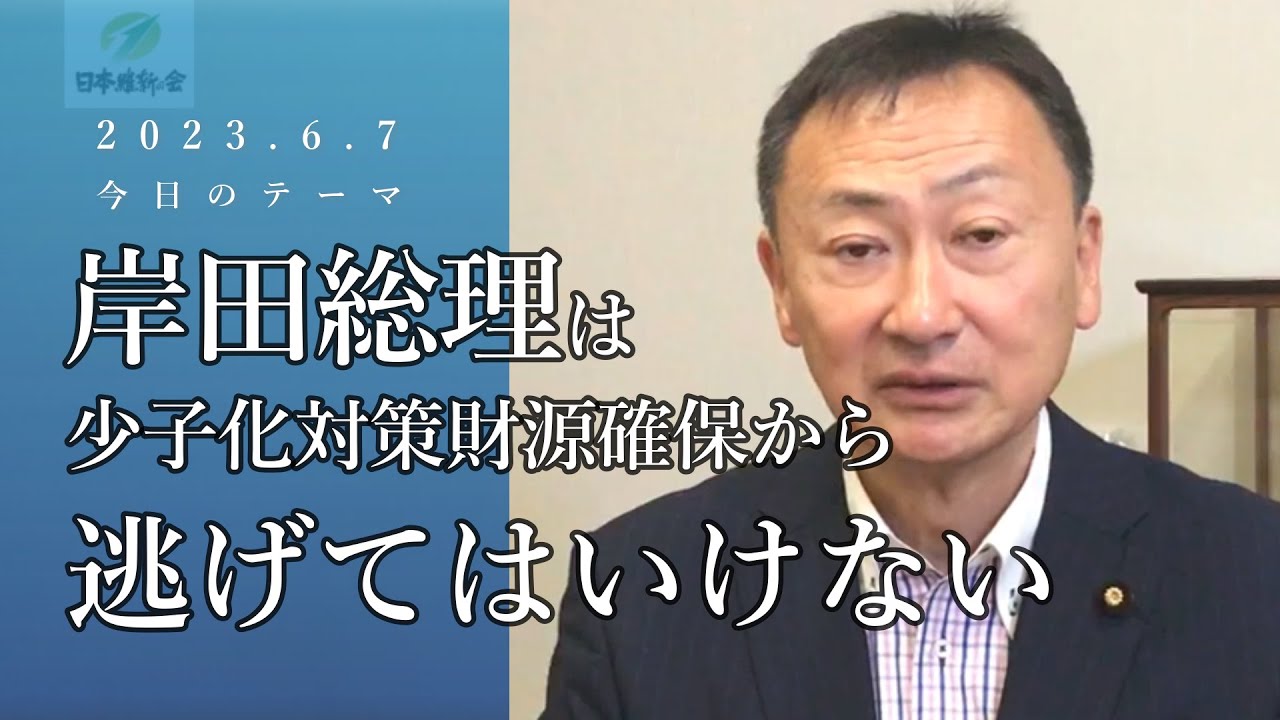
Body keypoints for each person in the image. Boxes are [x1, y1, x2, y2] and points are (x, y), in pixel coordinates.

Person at [539, 8, 1280, 719]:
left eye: (981, 235)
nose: (923, 316)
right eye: (859, 248)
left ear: (1085, 264)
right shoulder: (641, 597)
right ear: (782, 286)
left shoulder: (1252, 576)